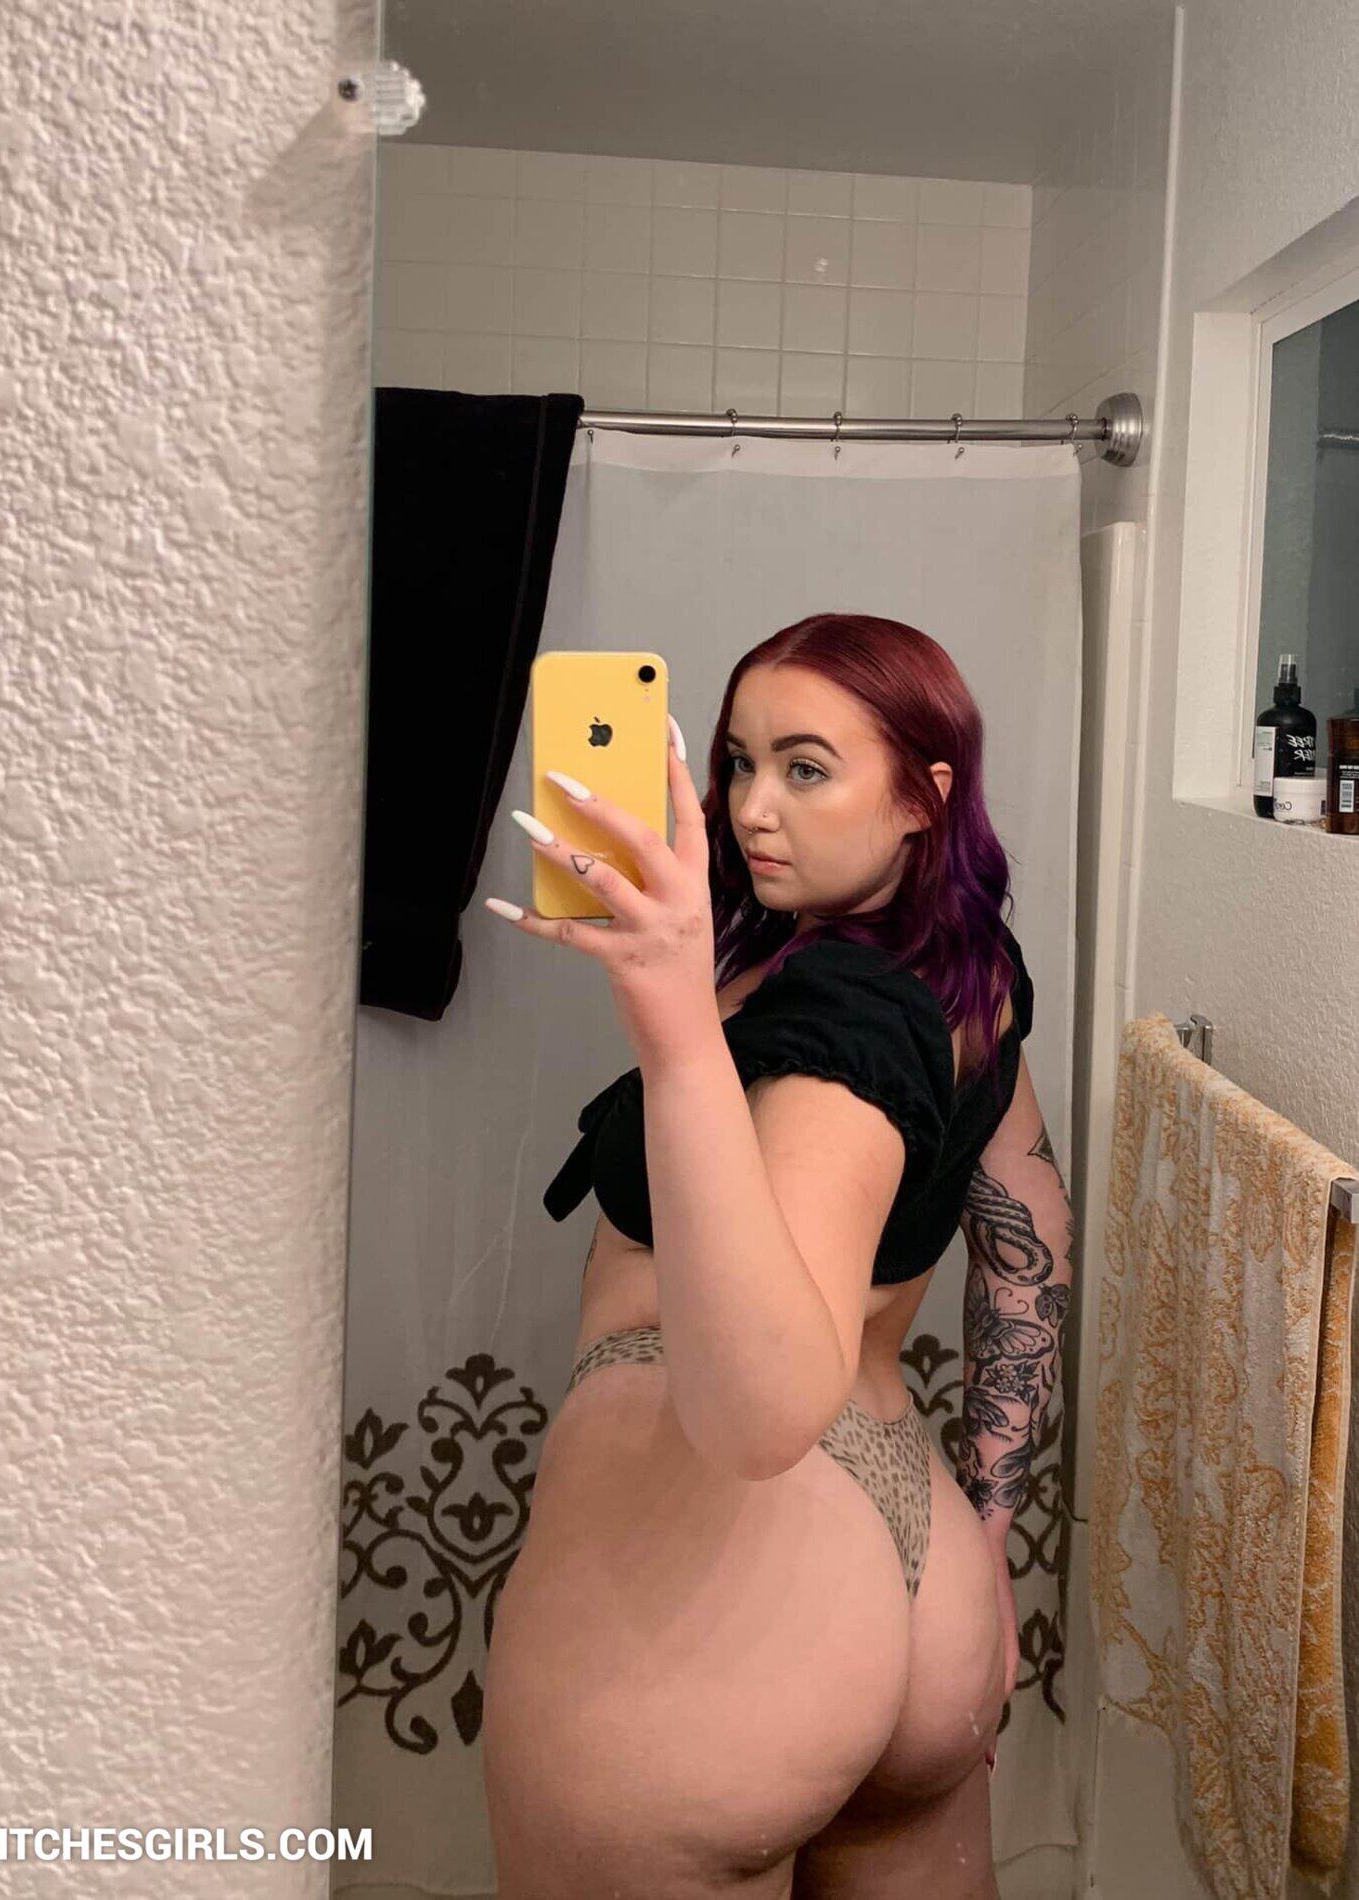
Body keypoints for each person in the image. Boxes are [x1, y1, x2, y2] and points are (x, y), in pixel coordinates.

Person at [478, 613, 1074, 1899]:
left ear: (922, 799)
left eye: (806, 768)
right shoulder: (964, 975)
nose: (753, 807)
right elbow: (1026, 1255)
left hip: (720, 1589)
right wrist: (984, 1533)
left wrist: (674, 1026)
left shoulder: (831, 1032)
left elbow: (761, 1410)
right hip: (917, 1575)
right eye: (740, 761)